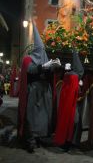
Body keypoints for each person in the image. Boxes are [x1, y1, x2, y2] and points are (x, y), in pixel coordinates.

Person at [17, 25, 61, 153]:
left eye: (43, 49)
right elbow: (30, 70)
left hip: (45, 91)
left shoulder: (46, 58)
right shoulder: (28, 59)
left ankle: (40, 137)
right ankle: (30, 140)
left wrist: (53, 67)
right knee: (32, 116)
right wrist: (42, 66)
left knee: (44, 116)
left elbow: (49, 75)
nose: (42, 51)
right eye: (40, 49)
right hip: (34, 91)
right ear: (36, 49)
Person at [54, 50, 84, 151]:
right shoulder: (73, 76)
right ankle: (68, 141)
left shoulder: (73, 75)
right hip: (70, 102)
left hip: (72, 101)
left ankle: (70, 140)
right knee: (73, 120)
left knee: (74, 120)